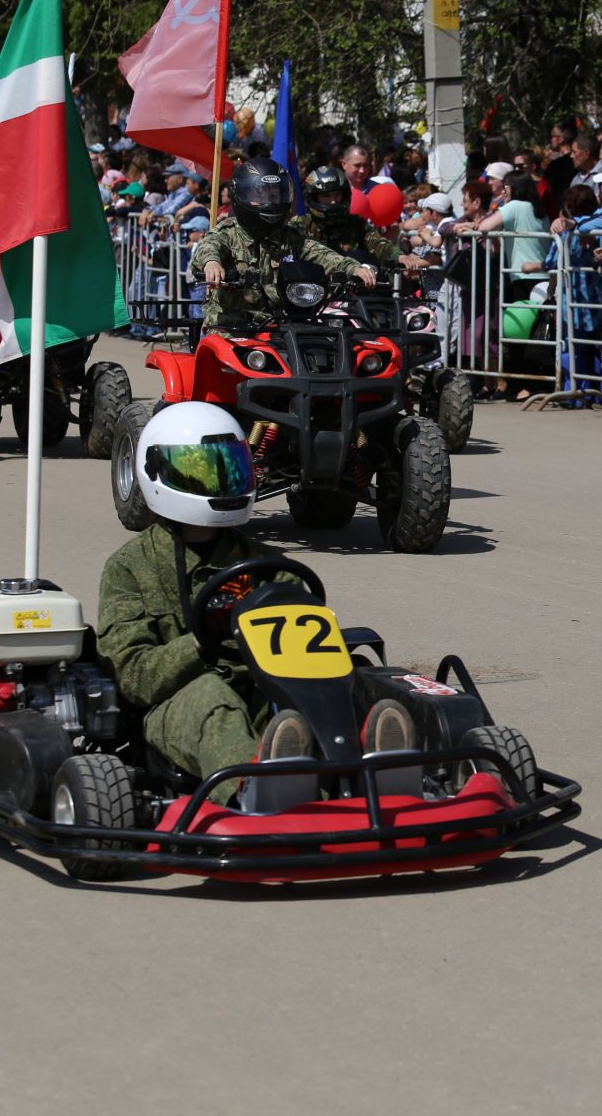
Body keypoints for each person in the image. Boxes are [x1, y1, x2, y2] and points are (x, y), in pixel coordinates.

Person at [95, 402, 310, 807]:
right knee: (213, 699)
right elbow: (134, 678)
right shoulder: (129, 569)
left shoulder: (268, 565)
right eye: (203, 469)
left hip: (260, 690)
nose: (222, 480)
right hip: (174, 706)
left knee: (337, 686)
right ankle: (255, 794)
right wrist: (198, 641)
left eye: (230, 467)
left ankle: (377, 776)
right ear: (161, 471)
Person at [191, 158, 375, 331]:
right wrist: (211, 263)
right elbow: (209, 246)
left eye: (274, 194)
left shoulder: (288, 237)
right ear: (240, 195)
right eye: (260, 195)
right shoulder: (228, 232)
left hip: (276, 325)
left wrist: (353, 268)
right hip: (229, 328)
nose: (270, 201)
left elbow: (322, 254)